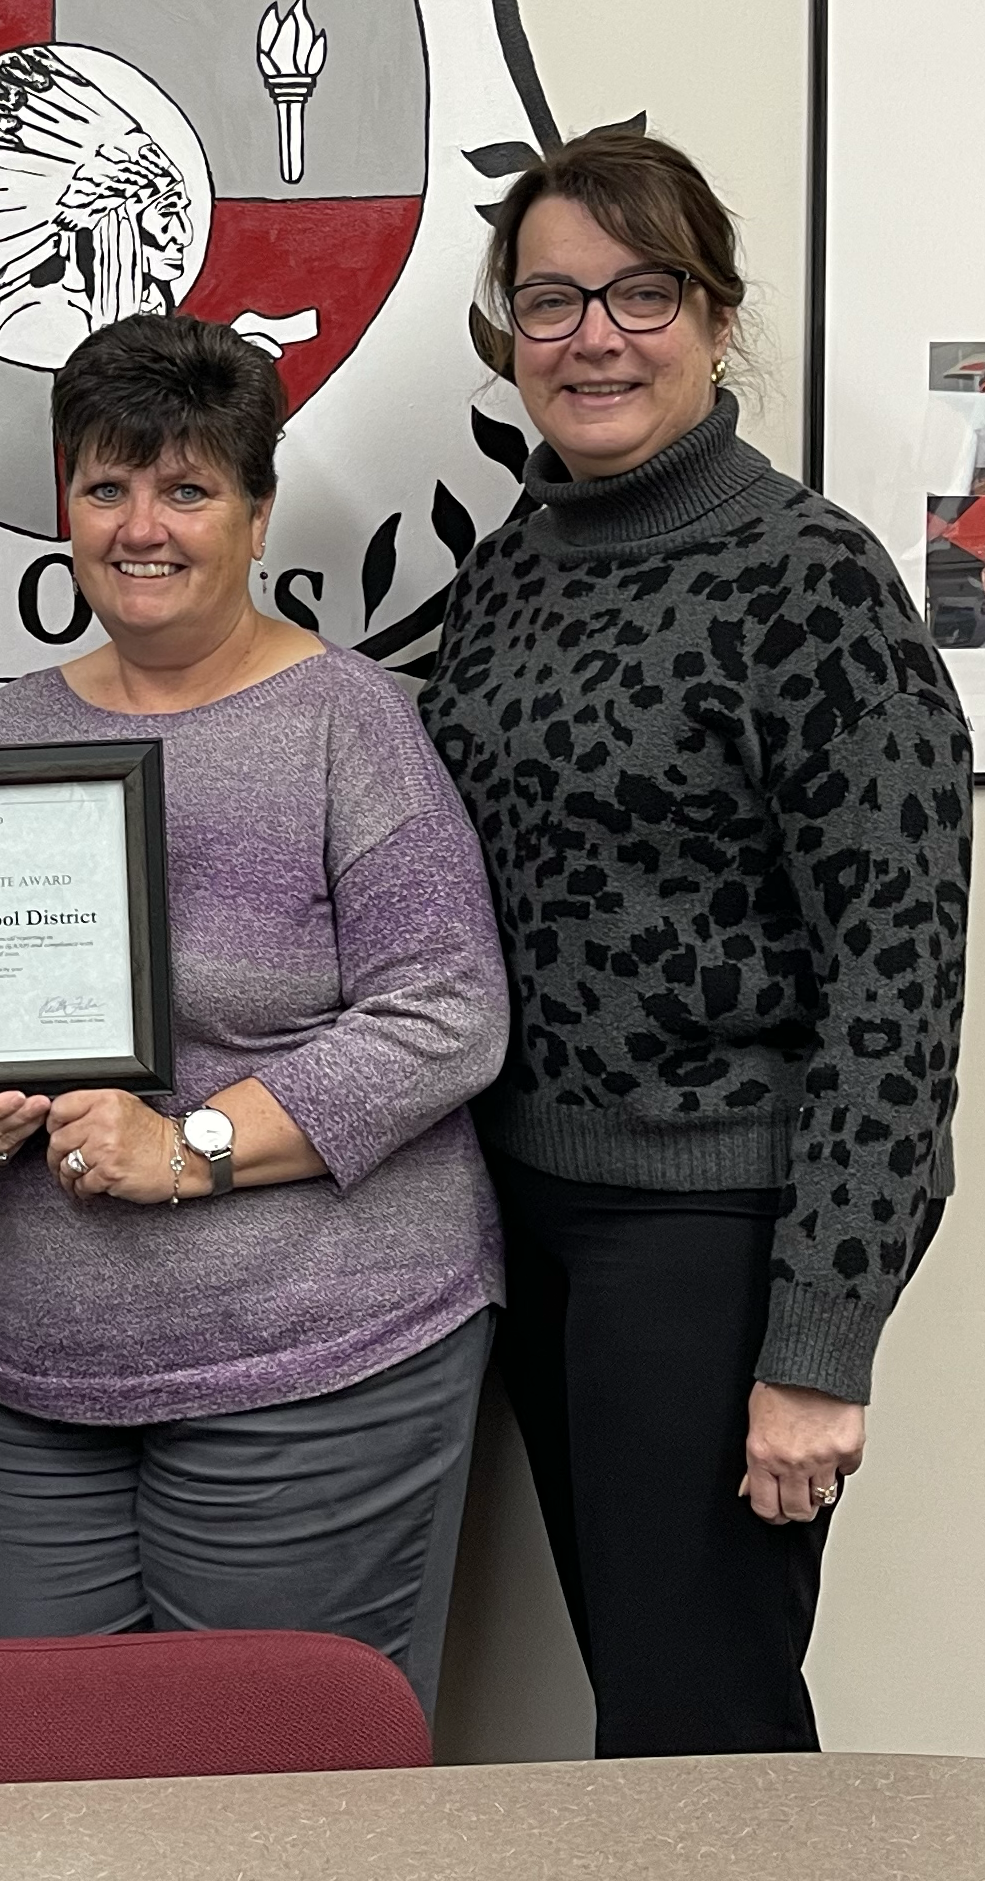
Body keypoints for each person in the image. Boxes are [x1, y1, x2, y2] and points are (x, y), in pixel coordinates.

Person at [421, 130, 971, 1756]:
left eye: (640, 293)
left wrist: (818, 1346)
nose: (593, 335)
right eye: (550, 300)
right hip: (528, 1220)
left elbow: (900, 993)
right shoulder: (511, 572)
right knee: (647, 1702)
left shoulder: (814, 583)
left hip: (714, 1232)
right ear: (509, 336)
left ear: (717, 317)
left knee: (698, 1724)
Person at [0, 313, 509, 1718]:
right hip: (42, 1380)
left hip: (317, 1364)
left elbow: (448, 1013)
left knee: (282, 1804)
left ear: (258, 513)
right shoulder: (12, 732)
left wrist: (188, 1146)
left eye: (187, 490)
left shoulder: (345, 723)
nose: (143, 528)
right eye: (108, 487)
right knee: (39, 1791)